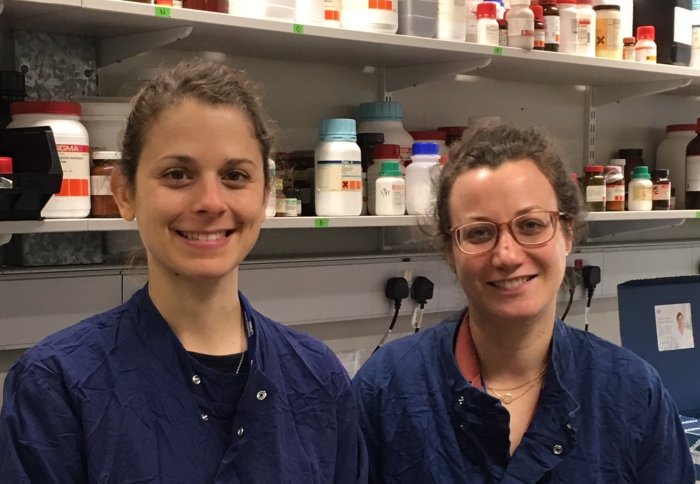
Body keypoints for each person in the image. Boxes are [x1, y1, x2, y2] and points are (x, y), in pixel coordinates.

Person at [0, 60, 367, 483]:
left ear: (265, 195)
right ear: (124, 193)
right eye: (177, 174)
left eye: (235, 175)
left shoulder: (317, 377)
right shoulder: (57, 386)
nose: (210, 201)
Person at [352, 124, 694, 483]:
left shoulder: (632, 392)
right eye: (479, 232)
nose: (507, 255)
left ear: (567, 234)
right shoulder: (387, 388)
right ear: (451, 252)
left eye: (530, 225)